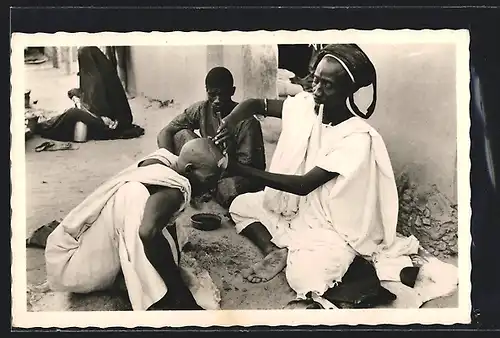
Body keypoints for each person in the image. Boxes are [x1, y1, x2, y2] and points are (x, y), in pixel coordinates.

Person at [214, 44, 418, 307]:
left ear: (347, 91)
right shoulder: (307, 108)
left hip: (330, 226)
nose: (317, 91)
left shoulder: (355, 138)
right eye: (316, 80)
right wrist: (230, 121)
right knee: (240, 205)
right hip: (297, 212)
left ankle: (313, 260)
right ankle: (275, 251)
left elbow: (302, 185)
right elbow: (256, 104)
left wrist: (238, 170)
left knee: (305, 277)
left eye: (328, 85)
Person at [45, 138, 226, 311]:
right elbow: (147, 232)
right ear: (189, 169)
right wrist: (181, 295)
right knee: (160, 264)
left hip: (67, 253)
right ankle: (155, 294)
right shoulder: (174, 190)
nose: (212, 188)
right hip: (80, 271)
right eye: (209, 179)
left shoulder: (161, 160)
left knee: (165, 236)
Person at [157, 66, 266, 208]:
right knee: (180, 135)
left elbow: (251, 170)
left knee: (228, 189)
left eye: (223, 94)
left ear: (232, 91)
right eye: (212, 94)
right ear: (206, 91)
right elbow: (165, 132)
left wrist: (228, 149)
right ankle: (203, 187)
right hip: (209, 169)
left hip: (235, 172)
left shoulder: (247, 121)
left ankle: (204, 188)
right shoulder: (202, 109)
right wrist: (170, 167)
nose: (217, 100)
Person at [36, 46, 144, 142]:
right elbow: (87, 94)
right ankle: (46, 125)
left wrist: (81, 104)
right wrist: (75, 95)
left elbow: (97, 108)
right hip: (105, 116)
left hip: (112, 122)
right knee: (72, 107)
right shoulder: (102, 72)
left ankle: (44, 127)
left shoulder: (97, 81)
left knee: (72, 114)